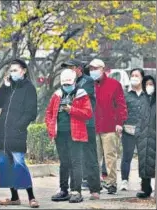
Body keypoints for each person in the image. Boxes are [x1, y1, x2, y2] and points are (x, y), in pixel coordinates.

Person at [0, 59, 39, 208]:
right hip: (2, 132)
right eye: (10, 71)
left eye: (15, 70)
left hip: (16, 132)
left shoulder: (29, 88)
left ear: (23, 70)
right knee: (5, 164)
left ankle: (31, 197)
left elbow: (31, 112)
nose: (12, 73)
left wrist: (19, 126)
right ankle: (14, 197)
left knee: (19, 163)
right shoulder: (9, 86)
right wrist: (5, 87)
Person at [45, 69, 92, 203]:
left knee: (76, 162)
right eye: (64, 84)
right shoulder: (57, 95)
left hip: (76, 133)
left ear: (74, 82)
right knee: (64, 163)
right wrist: (50, 128)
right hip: (60, 134)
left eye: (69, 84)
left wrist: (72, 110)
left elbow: (88, 113)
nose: (67, 87)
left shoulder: (81, 94)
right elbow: (49, 113)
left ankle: (76, 191)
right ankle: (63, 190)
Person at [61, 59, 100, 199]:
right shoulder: (65, 84)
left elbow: (79, 96)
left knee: (90, 156)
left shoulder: (87, 81)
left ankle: (95, 189)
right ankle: (74, 190)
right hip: (72, 124)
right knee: (75, 159)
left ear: (78, 69)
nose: (68, 71)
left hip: (86, 123)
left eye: (71, 68)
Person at [89, 58, 127, 194]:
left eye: (95, 68)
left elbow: (121, 105)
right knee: (94, 157)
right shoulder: (89, 85)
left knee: (110, 156)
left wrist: (119, 122)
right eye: (91, 69)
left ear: (103, 69)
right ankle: (95, 183)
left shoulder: (114, 84)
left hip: (110, 126)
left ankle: (111, 183)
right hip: (93, 126)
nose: (93, 71)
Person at [120, 68, 147, 191]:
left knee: (143, 157)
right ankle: (124, 180)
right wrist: (120, 124)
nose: (134, 77)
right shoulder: (125, 94)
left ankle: (143, 180)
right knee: (127, 156)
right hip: (128, 130)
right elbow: (120, 110)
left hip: (144, 131)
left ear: (142, 78)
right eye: (132, 75)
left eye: (137, 75)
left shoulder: (148, 94)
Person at [135, 75, 156, 198]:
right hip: (143, 136)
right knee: (144, 162)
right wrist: (138, 132)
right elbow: (139, 118)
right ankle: (145, 188)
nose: (149, 87)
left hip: (154, 134)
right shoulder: (143, 99)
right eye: (147, 84)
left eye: (151, 84)